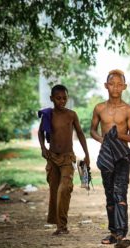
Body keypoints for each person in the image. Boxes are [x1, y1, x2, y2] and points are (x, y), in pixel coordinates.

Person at [90, 69, 130, 248]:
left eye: (120, 84)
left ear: (125, 87)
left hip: (122, 157)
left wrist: (116, 136)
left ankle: (121, 234)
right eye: (112, 84)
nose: (116, 88)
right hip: (106, 156)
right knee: (109, 195)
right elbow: (93, 130)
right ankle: (112, 232)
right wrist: (104, 139)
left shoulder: (129, 110)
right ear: (106, 86)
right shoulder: (99, 108)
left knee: (120, 194)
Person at [38, 84, 90, 236]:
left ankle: (62, 225)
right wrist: (43, 148)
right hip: (52, 157)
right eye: (58, 98)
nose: (62, 101)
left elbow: (80, 134)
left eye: (64, 98)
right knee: (54, 191)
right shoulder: (48, 115)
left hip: (68, 157)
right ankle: (58, 225)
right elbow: (41, 133)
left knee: (64, 189)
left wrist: (86, 155)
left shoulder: (71, 115)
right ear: (52, 99)